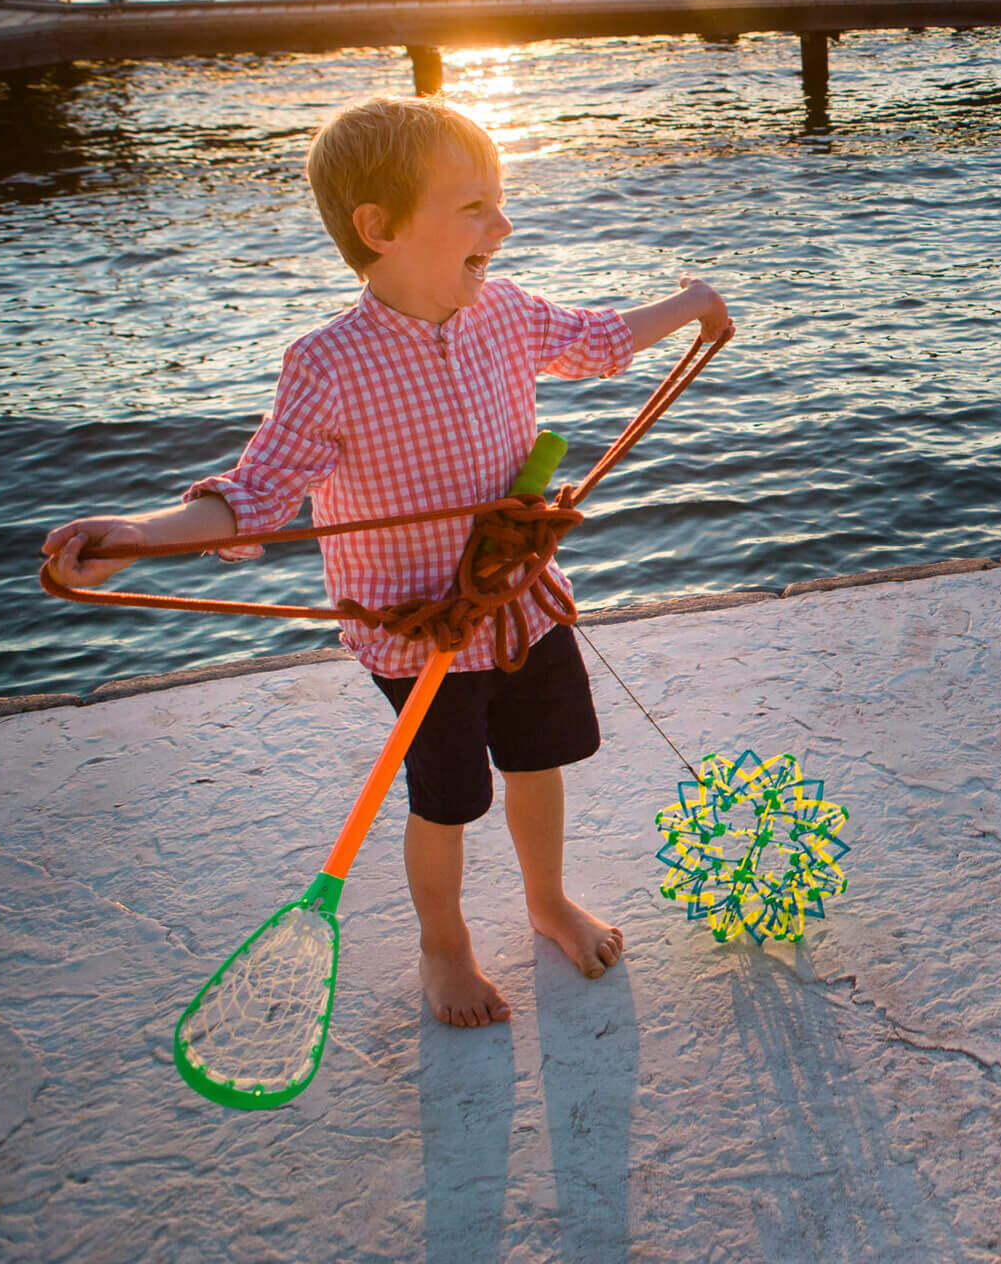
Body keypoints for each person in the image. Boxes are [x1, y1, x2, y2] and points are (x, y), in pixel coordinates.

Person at [43, 94, 731, 1026]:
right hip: (420, 635)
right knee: (447, 801)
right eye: (475, 206)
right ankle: (442, 946)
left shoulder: (507, 312)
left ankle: (547, 900)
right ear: (380, 229)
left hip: (522, 601)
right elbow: (252, 497)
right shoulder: (328, 365)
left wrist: (688, 305)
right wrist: (137, 534)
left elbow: (596, 342)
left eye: (501, 199)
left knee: (539, 762)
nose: (504, 223)